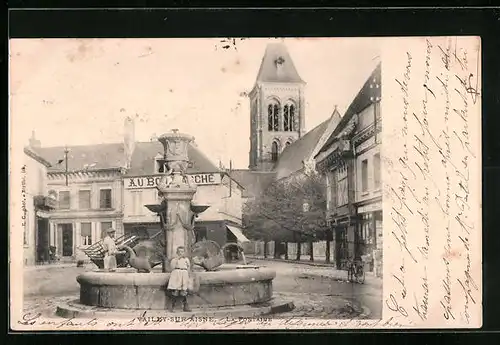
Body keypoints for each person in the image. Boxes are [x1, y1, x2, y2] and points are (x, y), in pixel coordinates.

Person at [167, 246, 192, 312]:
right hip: (176, 274)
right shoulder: (174, 259)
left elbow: (188, 267)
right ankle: (172, 306)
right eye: (179, 252)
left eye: (182, 252)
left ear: (184, 252)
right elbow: (172, 268)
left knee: (184, 291)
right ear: (177, 252)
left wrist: (188, 275)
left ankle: (185, 306)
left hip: (184, 274)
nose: (181, 253)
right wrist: (176, 260)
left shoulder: (186, 259)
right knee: (176, 291)